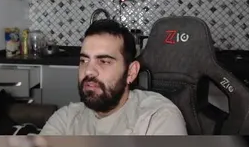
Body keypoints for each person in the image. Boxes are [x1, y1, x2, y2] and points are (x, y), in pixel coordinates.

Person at [40, 20, 188, 136]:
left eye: (104, 61)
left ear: (131, 72)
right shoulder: (66, 119)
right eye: (84, 60)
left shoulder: (157, 118)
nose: (89, 71)